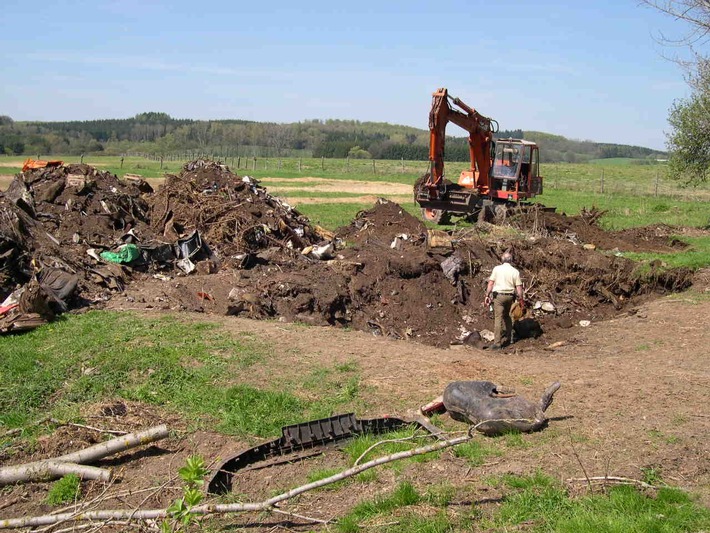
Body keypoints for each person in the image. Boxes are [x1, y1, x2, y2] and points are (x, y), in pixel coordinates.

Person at [484, 251, 524, 350]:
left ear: (502, 259)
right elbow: (519, 288)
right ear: (511, 260)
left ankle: (497, 343)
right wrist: (521, 299)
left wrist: (487, 295)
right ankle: (510, 339)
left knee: (498, 318)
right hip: (510, 297)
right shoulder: (515, 271)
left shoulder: (497, 269)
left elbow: (490, 284)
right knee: (507, 316)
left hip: (499, 296)